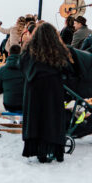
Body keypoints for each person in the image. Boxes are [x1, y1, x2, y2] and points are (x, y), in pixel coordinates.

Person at [20, 22, 72, 163]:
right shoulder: (59, 50)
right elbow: (68, 69)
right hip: (53, 88)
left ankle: (39, 151)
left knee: (36, 119)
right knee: (52, 119)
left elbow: (22, 66)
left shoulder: (28, 50)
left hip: (34, 88)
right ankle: (56, 150)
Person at [0, 44, 25, 112]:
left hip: (8, 104)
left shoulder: (2, 70)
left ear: (9, 54)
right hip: (24, 104)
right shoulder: (26, 69)